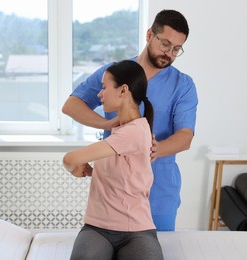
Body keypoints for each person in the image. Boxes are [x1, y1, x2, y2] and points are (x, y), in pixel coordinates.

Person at [63, 9, 198, 231]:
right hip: (112, 190)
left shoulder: (183, 85)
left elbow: (185, 137)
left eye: (176, 49)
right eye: (165, 44)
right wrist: (107, 124)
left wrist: (152, 149)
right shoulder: (115, 73)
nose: (169, 53)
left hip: (160, 191)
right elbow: (72, 105)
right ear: (149, 35)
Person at [63, 60, 163, 260]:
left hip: (136, 230)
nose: (100, 94)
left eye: (103, 87)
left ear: (123, 90)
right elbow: (119, 172)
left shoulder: (133, 131)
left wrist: (74, 168)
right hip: (97, 228)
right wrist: (92, 170)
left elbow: (70, 158)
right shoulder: (120, 130)